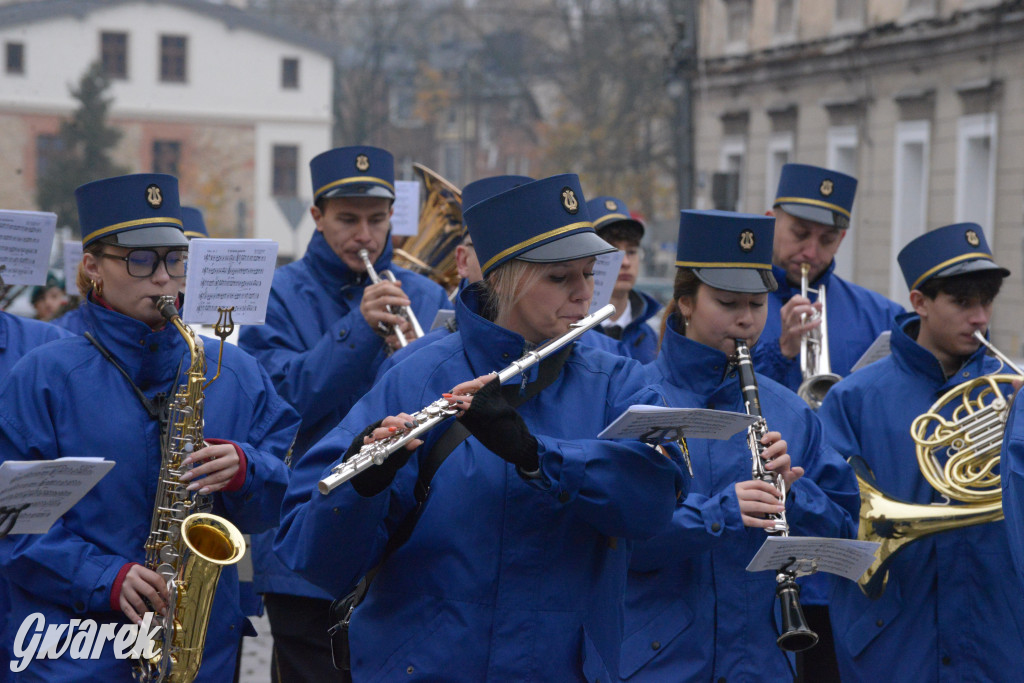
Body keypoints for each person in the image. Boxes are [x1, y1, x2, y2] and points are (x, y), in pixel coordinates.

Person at [274, 173, 686, 681]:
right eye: (560, 278)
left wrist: (540, 455)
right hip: (425, 665)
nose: (585, 294)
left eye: (588, 272)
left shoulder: (617, 380)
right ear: (503, 279)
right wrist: (365, 485)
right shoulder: (418, 375)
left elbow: (652, 507)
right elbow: (314, 558)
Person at [0, 173, 299, 681]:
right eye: (140, 260)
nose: (164, 278)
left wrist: (248, 469)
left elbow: (282, 498)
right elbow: (12, 524)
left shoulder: (237, 371)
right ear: (92, 266)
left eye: (175, 259)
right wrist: (105, 577)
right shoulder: (43, 376)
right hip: (74, 650)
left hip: (201, 647)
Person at [237, 145, 451, 682]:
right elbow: (283, 400)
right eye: (348, 220)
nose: (365, 235)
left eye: (377, 220)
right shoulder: (278, 293)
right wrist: (358, 332)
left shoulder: (424, 294)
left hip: (403, 545)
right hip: (303, 541)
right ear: (316, 217)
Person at [620, 209, 858, 682]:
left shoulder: (790, 411)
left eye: (756, 304)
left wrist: (797, 494)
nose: (746, 320)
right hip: (659, 662)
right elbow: (617, 544)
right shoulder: (637, 401)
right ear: (685, 302)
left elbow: (842, 540)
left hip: (763, 661)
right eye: (728, 303)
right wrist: (719, 514)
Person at [820, 222, 1021, 681]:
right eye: (962, 302)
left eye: (986, 302)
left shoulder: (1012, 394)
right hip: (894, 636)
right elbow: (831, 514)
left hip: (995, 632)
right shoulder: (853, 399)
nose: (979, 318)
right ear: (919, 302)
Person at [585, 196, 660, 363]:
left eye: (632, 252)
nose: (625, 262)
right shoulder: (568, 332)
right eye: (612, 252)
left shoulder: (651, 336)